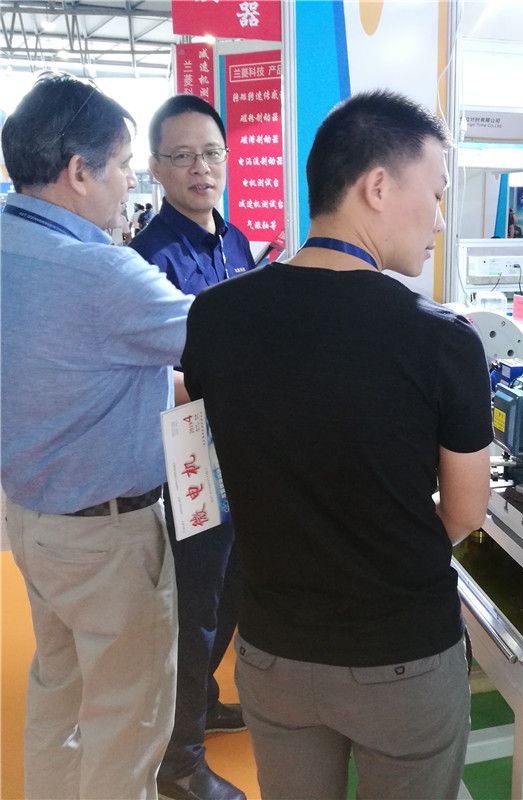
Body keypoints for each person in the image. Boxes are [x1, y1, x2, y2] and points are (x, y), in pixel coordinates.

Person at [181, 89, 493, 800]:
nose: (439, 219)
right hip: (402, 655)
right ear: (377, 187)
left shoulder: (216, 316)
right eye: (436, 193)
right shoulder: (442, 340)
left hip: (273, 651)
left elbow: (218, 457)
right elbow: (465, 513)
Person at [0, 72, 193, 799]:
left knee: (59, 694)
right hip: (107, 538)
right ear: (79, 171)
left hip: (34, 519)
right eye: (123, 166)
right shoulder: (103, 273)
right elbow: (222, 336)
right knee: (128, 723)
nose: (130, 183)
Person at [129, 93, 255, 800]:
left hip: (236, 448)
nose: (200, 168)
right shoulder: (148, 258)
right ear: (155, 167)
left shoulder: (235, 241)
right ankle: (178, 760)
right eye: (181, 156)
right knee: (195, 606)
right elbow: (156, 373)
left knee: (232, 587)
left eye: (210, 152)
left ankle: (201, 701)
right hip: (187, 460)